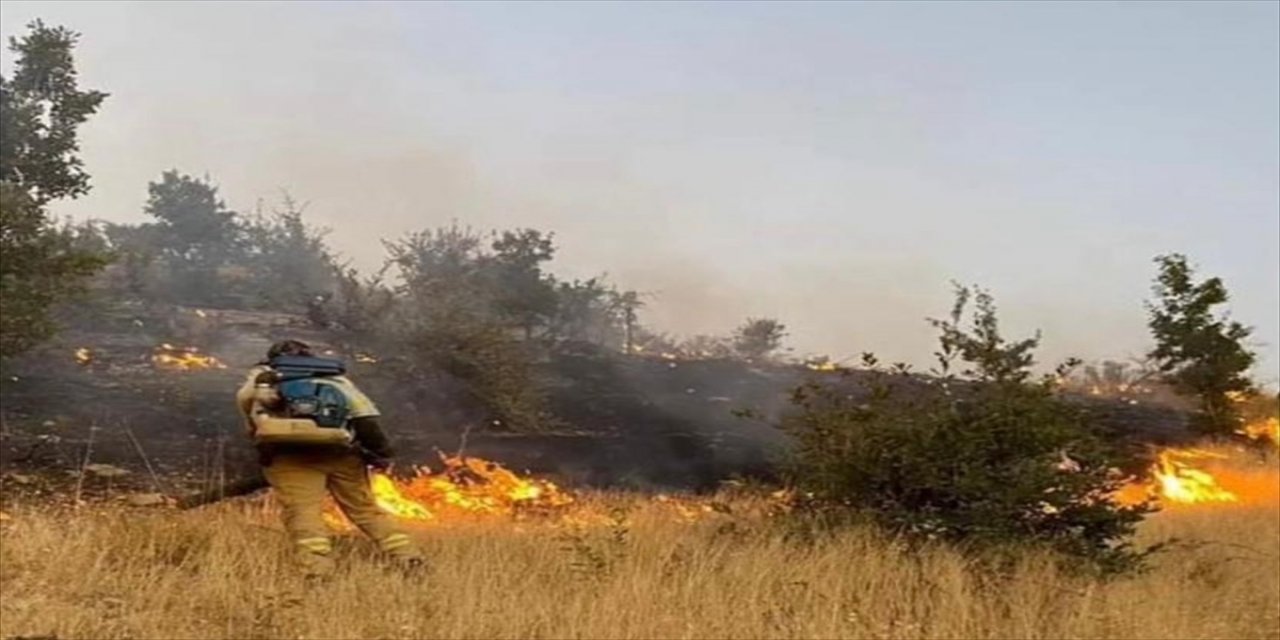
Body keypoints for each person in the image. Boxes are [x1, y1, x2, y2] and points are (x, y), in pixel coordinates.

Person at [235, 339, 425, 577]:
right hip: (342, 455)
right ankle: (409, 558)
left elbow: (253, 423)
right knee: (366, 510)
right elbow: (366, 420)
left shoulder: (260, 381)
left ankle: (317, 570)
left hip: (289, 460)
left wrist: (265, 451)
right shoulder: (336, 380)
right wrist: (381, 453)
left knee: (303, 512)